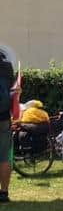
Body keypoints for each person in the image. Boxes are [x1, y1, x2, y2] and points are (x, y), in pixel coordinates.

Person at [0, 53, 16, 203]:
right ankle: (3, 193)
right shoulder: (7, 67)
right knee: (4, 156)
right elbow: (12, 88)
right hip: (3, 117)